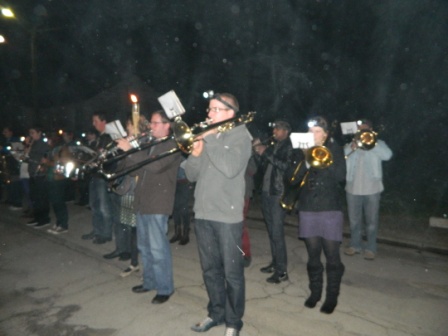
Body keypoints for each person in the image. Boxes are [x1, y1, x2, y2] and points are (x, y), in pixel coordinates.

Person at [186, 93, 252, 336]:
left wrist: (211, 139)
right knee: (210, 270)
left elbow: (230, 169)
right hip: (203, 214)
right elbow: (192, 175)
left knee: (232, 274)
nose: (208, 114)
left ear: (229, 113)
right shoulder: (211, 137)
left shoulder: (241, 137)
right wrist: (195, 154)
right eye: (209, 109)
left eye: (214, 109)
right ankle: (216, 313)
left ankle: (234, 322)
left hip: (227, 217)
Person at [116, 109, 181, 304]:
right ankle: (149, 281)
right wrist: (131, 147)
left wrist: (131, 150)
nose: (151, 127)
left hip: (158, 203)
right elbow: (133, 166)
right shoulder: (151, 143)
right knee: (144, 247)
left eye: (155, 123)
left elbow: (154, 167)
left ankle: (165, 288)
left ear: (167, 125)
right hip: (142, 201)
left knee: (158, 248)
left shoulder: (172, 145)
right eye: (151, 123)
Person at [294, 116, 346, 314]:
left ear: (325, 135)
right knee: (313, 256)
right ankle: (315, 293)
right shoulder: (302, 151)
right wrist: (305, 159)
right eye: (310, 131)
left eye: (316, 131)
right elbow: (292, 178)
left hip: (330, 208)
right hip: (308, 208)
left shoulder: (335, 149)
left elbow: (341, 176)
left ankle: (331, 297)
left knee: (332, 257)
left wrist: (324, 159)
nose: (312, 135)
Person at [344, 119, 393, 260]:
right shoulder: (351, 144)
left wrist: (372, 143)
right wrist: (352, 147)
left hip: (372, 189)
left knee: (371, 222)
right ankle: (355, 245)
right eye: (359, 129)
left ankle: (371, 248)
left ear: (371, 130)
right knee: (354, 221)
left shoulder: (379, 143)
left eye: (365, 129)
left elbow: (388, 155)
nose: (362, 132)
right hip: (352, 189)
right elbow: (341, 157)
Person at [254, 120, 293, 284]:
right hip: (266, 191)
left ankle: (282, 271)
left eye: (277, 129)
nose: (274, 131)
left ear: (286, 131)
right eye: (274, 129)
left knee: (277, 232)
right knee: (271, 231)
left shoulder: (290, 146)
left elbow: (286, 167)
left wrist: (266, 153)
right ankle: (275, 263)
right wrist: (257, 152)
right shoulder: (273, 145)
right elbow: (262, 167)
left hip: (278, 193)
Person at [81, 112, 118, 245]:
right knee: (94, 205)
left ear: (104, 122)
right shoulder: (100, 138)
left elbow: (112, 158)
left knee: (104, 207)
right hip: (95, 175)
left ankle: (106, 233)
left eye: (95, 121)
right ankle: (97, 230)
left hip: (103, 176)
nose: (93, 124)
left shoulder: (110, 137)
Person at [26, 126, 51, 228]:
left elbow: (44, 157)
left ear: (39, 132)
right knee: (35, 197)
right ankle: (37, 217)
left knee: (41, 198)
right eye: (30, 133)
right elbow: (27, 156)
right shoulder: (33, 143)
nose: (31, 135)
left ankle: (44, 219)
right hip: (32, 173)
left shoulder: (43, 144)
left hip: (40, 174)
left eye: (33, 133)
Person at [169, 158, 191, 245]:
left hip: (184, 180)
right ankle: (178, 233)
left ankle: (186, 234)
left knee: (184, 208)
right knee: (175, 207)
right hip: (174, 180)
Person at [241, 154, 257, 267]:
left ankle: (246, 254)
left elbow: (252, 170)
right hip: (231, 194)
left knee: (240, 225)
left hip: (243, 194)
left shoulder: (248, 154)